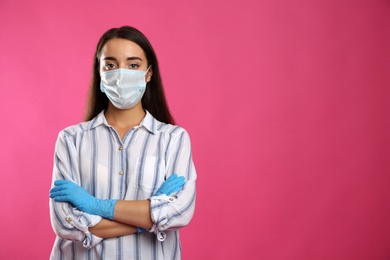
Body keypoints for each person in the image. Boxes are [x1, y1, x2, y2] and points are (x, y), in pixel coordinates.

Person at [49, 25, 197, 259]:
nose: (121, 74)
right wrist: (149, 218)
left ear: (149, 73)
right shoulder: (71, 140)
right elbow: (66, 224)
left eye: (133, 65)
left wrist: (96, 206)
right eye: (110, 65)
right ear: (99, 72)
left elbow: (179, 214)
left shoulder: (173, 139)